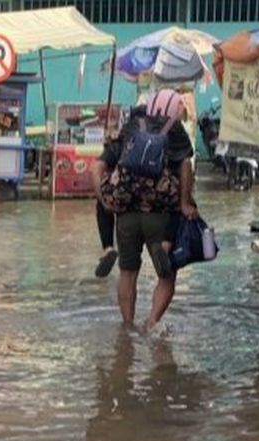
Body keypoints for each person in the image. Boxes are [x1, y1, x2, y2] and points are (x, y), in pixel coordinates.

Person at [91, 89, 197, 330]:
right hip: (160, 215)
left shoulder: (130, 127)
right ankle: (151, 323)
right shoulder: (176, 131)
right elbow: (185, 166)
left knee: (127, 273)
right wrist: (184, 203)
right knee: (167, 276)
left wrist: (105, 200)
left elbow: (97, 168)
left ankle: (127, 328)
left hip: (126, 215)